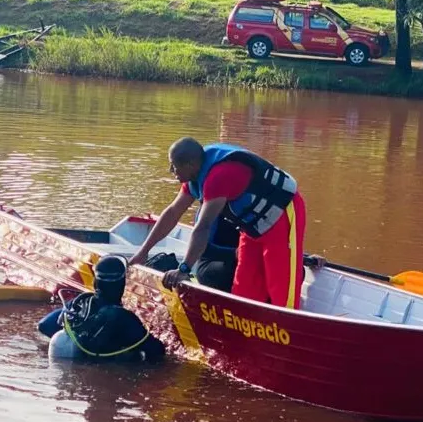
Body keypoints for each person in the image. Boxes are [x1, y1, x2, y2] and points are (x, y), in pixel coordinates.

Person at [129, 137, 307, 310]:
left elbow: (203, 227)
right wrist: (143, 252)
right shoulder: (195, 174)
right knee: (244, 289)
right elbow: (173, 213)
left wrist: (184, 269)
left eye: (174, 166)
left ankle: (285, 329)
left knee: (281, 286)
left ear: (190, 165)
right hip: (252, 228)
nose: (170, 171)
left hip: (281, 217)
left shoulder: (218, 178)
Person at [38, 255, 165, 363]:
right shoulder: (123, 317)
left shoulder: (80, 303)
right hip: (107, 374)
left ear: (95, 283)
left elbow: (44, 325)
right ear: (122, 285)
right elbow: (157, 351)